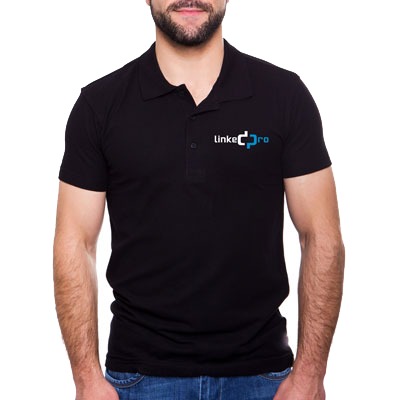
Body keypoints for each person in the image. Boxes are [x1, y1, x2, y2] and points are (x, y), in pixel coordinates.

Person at [53, 1, 345, 399]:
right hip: (138, 380)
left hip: (264, 379)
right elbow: (75, 242)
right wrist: (86, 378)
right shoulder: (99, 106)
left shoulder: (284, 96)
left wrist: (310, 375)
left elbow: (321, 236)